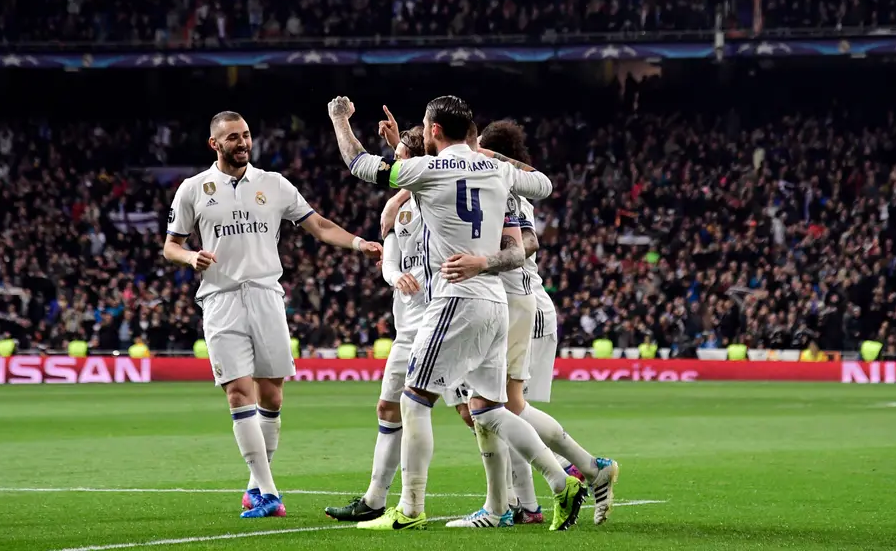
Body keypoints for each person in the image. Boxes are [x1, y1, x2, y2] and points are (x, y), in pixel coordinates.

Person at [328, 94, 582, 533]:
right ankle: (562, 481)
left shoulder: (426, 171)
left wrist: (339, 121)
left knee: (414, 398)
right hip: (494, 301)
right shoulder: (498, 168)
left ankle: (409, 509)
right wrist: (483, 151)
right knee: (487, 409)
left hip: (454, 298)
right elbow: (543, 184)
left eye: (427, 127)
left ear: (433, 132)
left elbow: (359, 163)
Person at [163, 110, 382, 519]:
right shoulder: (193, 189)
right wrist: (190, 255)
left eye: (246, 135)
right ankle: (268, 492)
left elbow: (317, 225)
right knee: (238, 392)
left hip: (266, 295)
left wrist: (358, 244)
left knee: (272, 394)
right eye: (232, 137)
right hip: (221, 299)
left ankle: (254, 486)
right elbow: (170, 245)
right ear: (215, 144)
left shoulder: (274, 184)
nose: (242, 142)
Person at [477, 119, 619, 528]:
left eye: (481, 147)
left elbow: (529, 243)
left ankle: (580, 471)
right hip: (522, 302)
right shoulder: (506, 186)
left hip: (517, 302)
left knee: (504, 407)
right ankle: (533, 500)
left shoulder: (504, 187)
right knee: (505, 408)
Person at [325, 111, 427, 523]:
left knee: (476, 411)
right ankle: (374, 500)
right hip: (407, 326)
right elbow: (390, 259)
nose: (394, 166)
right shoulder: (397, 211)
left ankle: (526, 490)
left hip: (442, 320)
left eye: (400, 158)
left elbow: (418, 176)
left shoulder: (438, 200)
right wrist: (394, 275)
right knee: (389, 407)